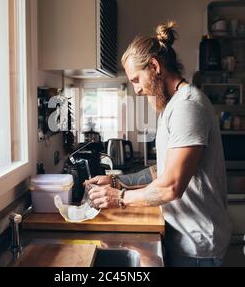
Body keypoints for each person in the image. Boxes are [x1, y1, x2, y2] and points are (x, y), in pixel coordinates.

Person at [85, 21, 232, 267]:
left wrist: (119, 197)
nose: (136, 90)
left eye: (136, 79)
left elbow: (171, 186)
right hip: (183, 237)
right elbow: (162, 171)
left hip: (197, 244)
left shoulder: (187, 106)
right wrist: (117, 181)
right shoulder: (170, 107)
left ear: (154, 66)